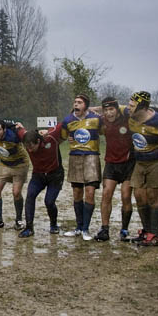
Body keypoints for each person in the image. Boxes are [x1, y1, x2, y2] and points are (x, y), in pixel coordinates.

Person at [126, 91, 158, 247]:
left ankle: (156, 235)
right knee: (139, 194)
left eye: (132, 106)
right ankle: (146, 231)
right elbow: (113, 107)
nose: (129, 108)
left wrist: (157, 152)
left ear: (143, 107)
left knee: (153, 196)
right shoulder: (129, 114)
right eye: (129, 105)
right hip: (140, 160)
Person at [57, 94, 102, 241]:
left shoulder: (96, 119)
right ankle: (78, 227)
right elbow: (62, 136)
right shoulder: (68, 120)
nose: (76, 104)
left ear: (86, 105)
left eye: (80, 102)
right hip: (75, 157)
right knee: (77, 193)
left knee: (90, 192)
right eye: (75, 102)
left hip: (91, 157)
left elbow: (107, 129)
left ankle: (86, 229)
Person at [95, 97, 135, 242]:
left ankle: (124, 229)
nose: (109, 113)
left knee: (125, 196)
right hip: (111, 163)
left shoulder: (127, 118)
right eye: (105, 110)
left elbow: (132, 109)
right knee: (106, 194)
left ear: (117, 110)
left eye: (111, 109)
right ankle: (105, 229)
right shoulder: (102, 121)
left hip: (129, 163)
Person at [20, 129, 64, 237]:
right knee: (30, 196)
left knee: (49, 202)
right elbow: (16, 128)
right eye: (27, 147)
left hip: (55, 176)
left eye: (31, 147)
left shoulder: (51, 139)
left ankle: (53, 225)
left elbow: (63, 124)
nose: (29, 150)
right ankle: (29, 228)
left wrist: (48, 131)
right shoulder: (26, 139)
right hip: (38, 175)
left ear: (38, 142)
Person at [0, 119, 30, 230]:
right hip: (4, 164)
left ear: (4, 130)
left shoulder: (13, 135)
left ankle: (19, 220)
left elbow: (28, 137)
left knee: (16, 192)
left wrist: (21, 128)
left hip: (20, 164)